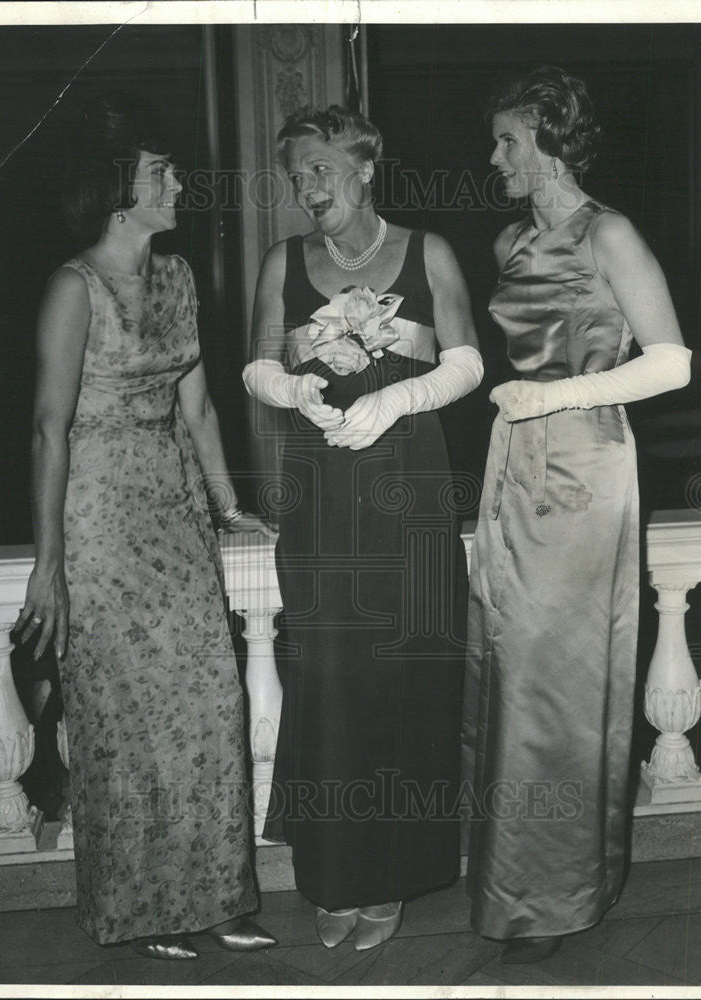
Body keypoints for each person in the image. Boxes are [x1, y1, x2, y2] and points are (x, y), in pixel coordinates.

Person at [14, 93, 277, 959]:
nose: (177, 184)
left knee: (210, 702)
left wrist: (229, 503)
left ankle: (216, 897)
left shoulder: (176, 277)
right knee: (125, 720)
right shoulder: (73, 286)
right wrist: (48, 564)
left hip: (172, 509)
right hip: (98, 515)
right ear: (118, 193)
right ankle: (144, 908)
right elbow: (49, 427)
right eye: (160, 173)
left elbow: (198, 407)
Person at [461, 66, 692, 965]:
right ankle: (514, 883)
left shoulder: (612, 233)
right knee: (509, 664)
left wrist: (554, 399)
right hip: (514, 456)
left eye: (507, 140)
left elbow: (670, 361)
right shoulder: (509, 242)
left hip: (588, 456)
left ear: (551, 141)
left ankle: (551, 899)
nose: (494, 157)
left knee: (557, 677)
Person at [243, 105, 484, 951]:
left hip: (410, 489)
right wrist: (295, 392)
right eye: (296, 174)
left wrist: (395, 397)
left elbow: (466, 361)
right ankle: (334, 876)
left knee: (405, 681)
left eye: (320, 168)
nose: (307, 187)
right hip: (322, 498)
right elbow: (257, 363)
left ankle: (391, 878)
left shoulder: (428, 252)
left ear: (366, 166)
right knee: (330, 684)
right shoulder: (283, 260)